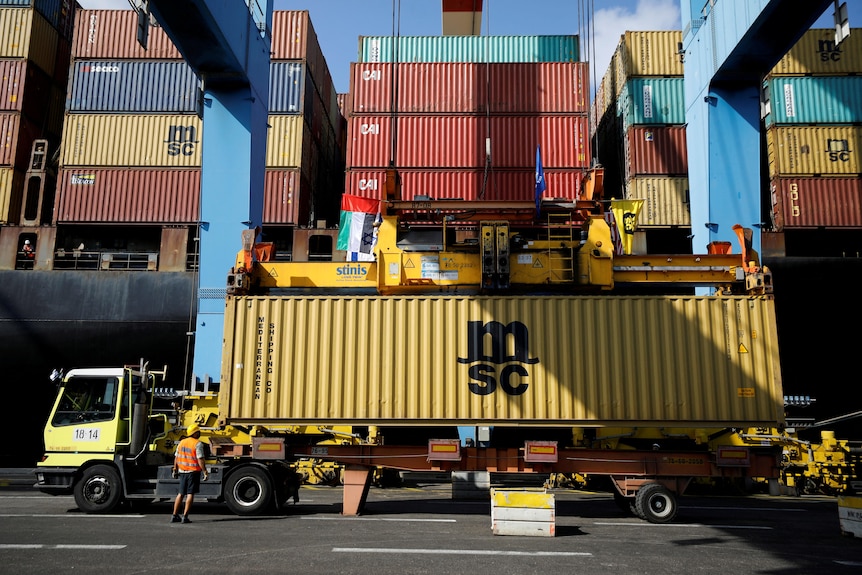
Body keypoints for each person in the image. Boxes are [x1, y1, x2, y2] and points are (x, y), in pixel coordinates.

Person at [171, 423, 209, 524]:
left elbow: (176, 457)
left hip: (182, 471)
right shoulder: (197, 443)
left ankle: (174, 515)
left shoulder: (182, 442)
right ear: (195, 433)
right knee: (190, 494)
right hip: (193, 472)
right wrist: (205, 471)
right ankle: (185, 517)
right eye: (198, 431)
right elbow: (200, 459)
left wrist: (175, 469)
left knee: (180, 494)